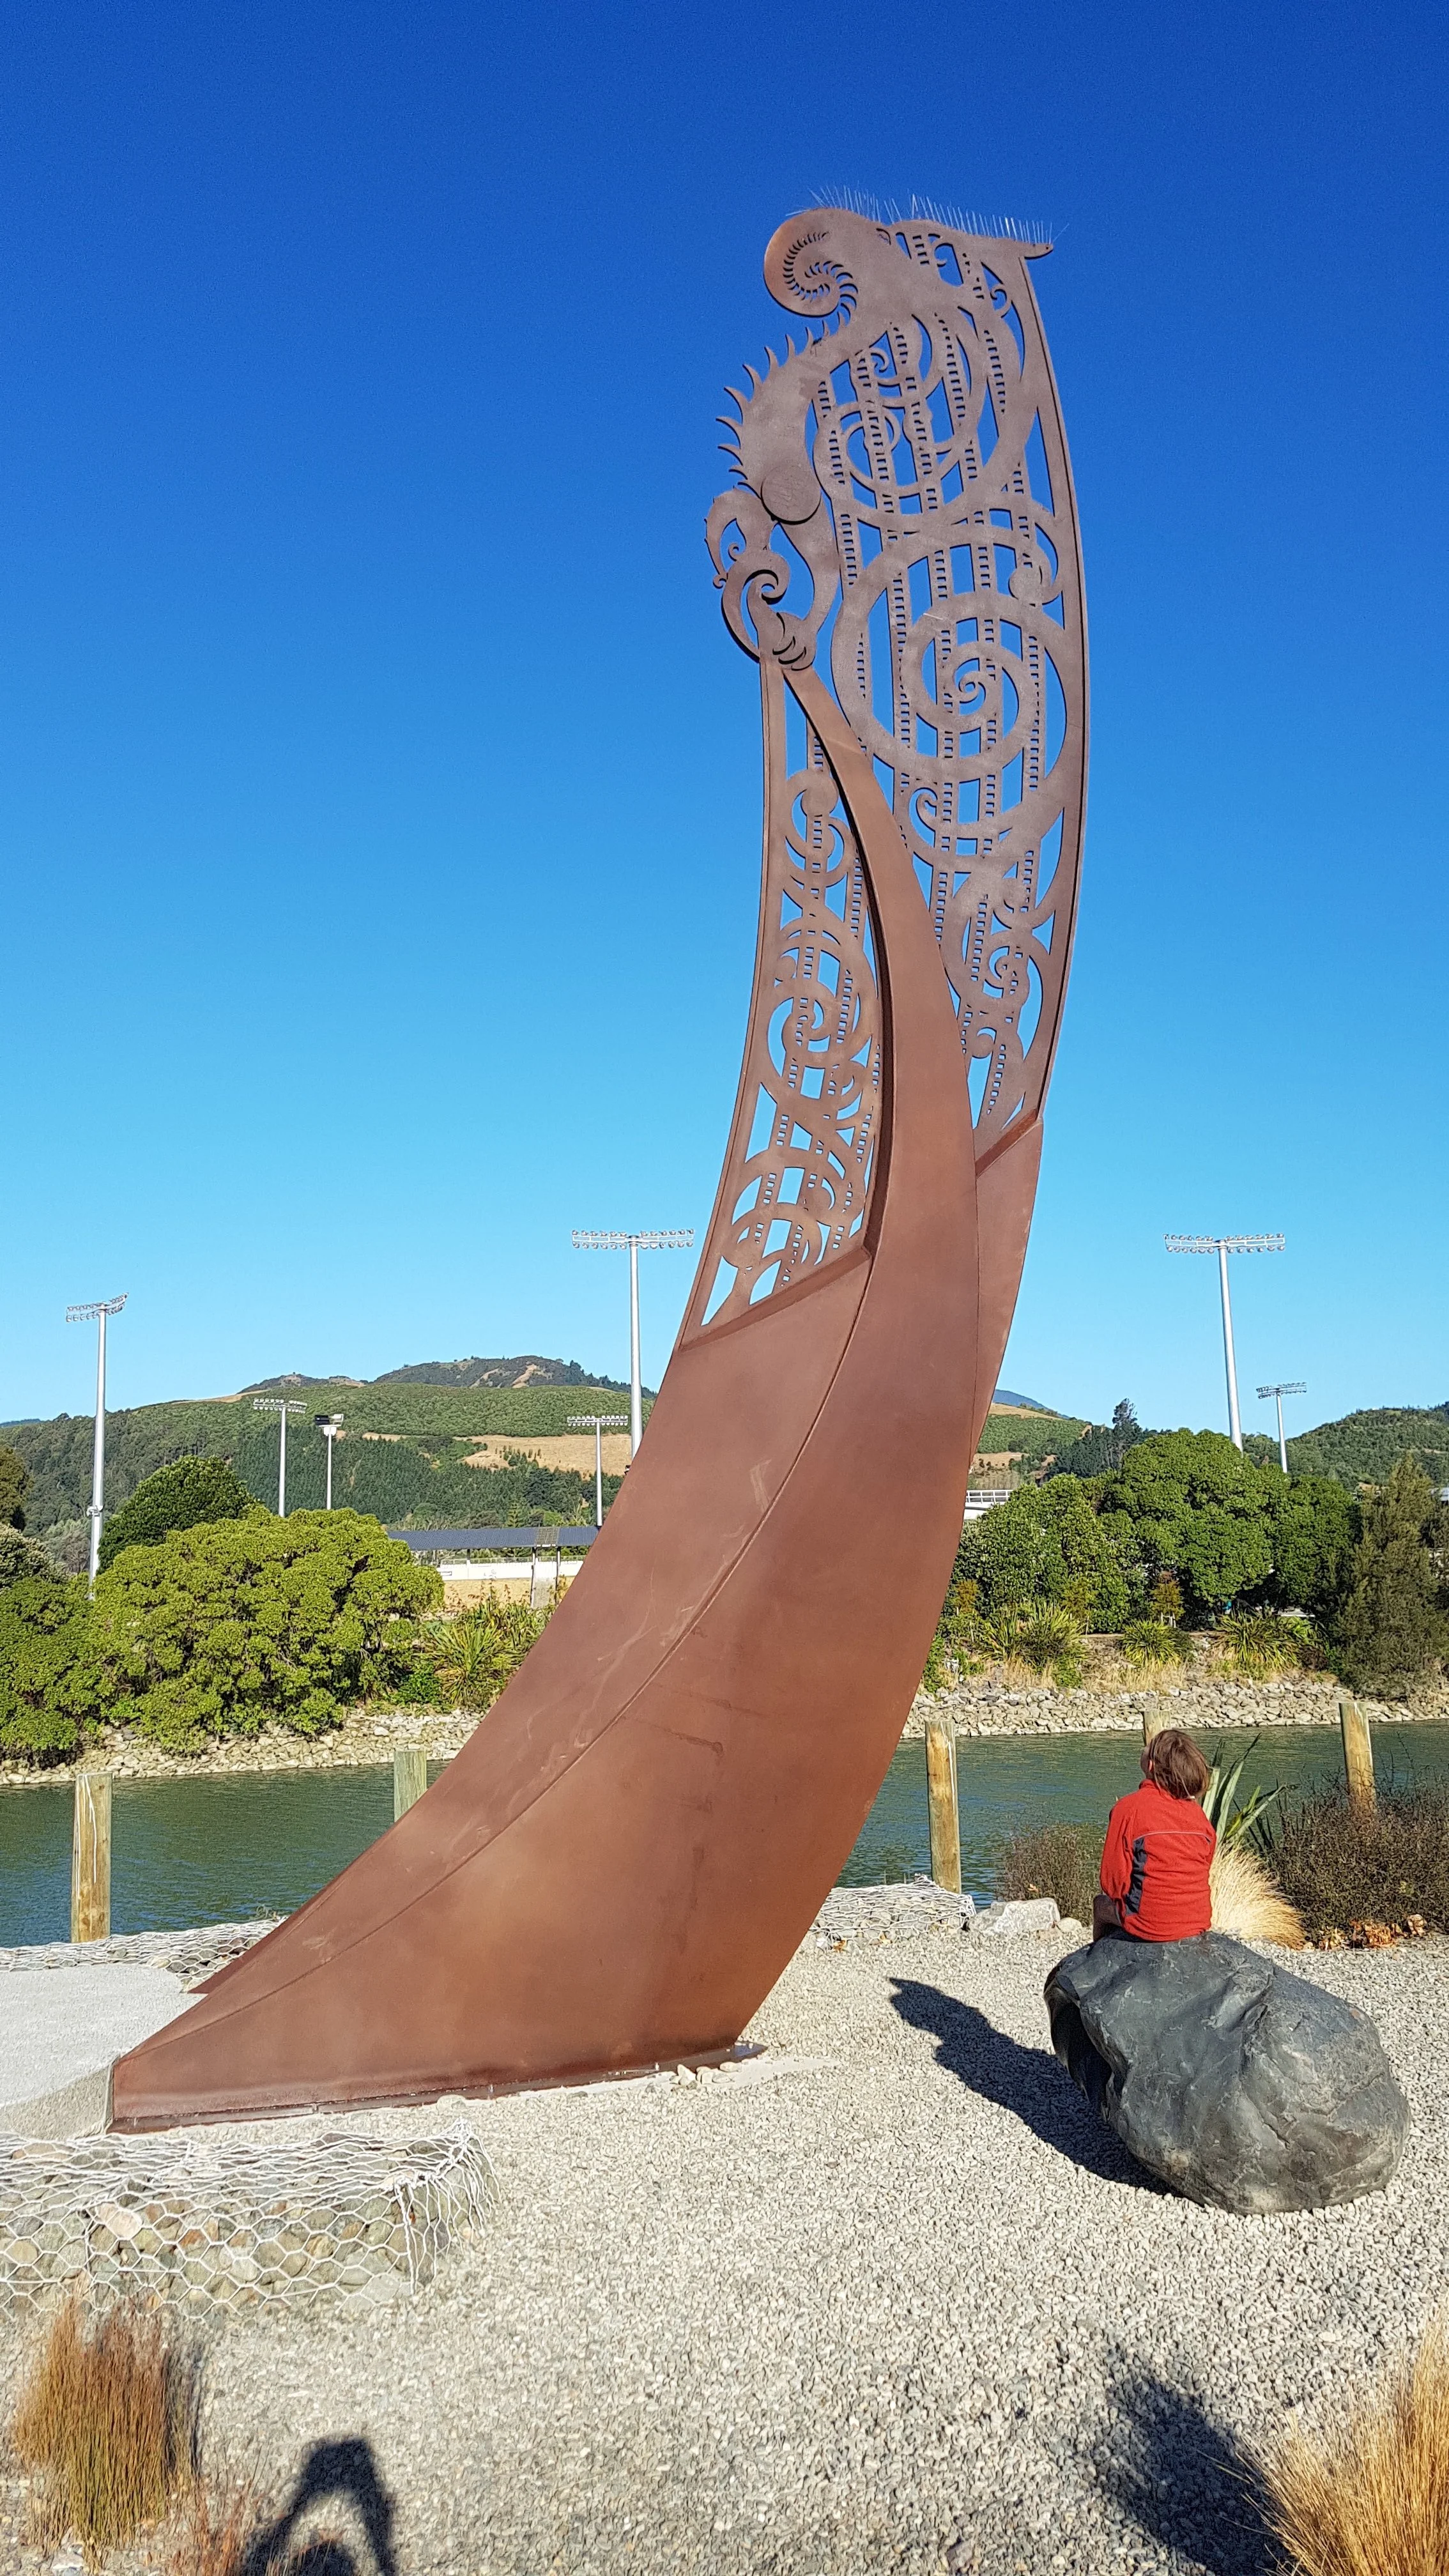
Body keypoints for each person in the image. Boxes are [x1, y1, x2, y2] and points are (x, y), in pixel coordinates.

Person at [1092, 1727, 1216, 1943]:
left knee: (1100, 1905)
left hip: (1149, 1924)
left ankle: (1099, 1956)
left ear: (1150, 1766)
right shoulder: (1198, 1815)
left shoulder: (1128, 1808)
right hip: (1198, 1921)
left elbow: (1112, 1882)